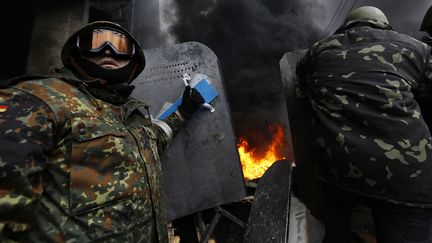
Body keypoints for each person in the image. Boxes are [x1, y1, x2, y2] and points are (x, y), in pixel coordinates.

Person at [0, 21, 204, 242]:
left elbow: (155, 140)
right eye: (96, 42)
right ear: (79, 53)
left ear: (132, 60)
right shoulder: (38, 97)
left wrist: (184, 111)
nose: (108, 49)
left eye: (120, 45)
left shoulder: (132, 115)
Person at [296, 6, 432, 243]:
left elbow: (302, 80)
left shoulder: (318, 51)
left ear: (347, 26)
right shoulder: (415, 47)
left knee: (335, 225)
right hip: (407, 177)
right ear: (384, 26)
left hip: (339, 171)